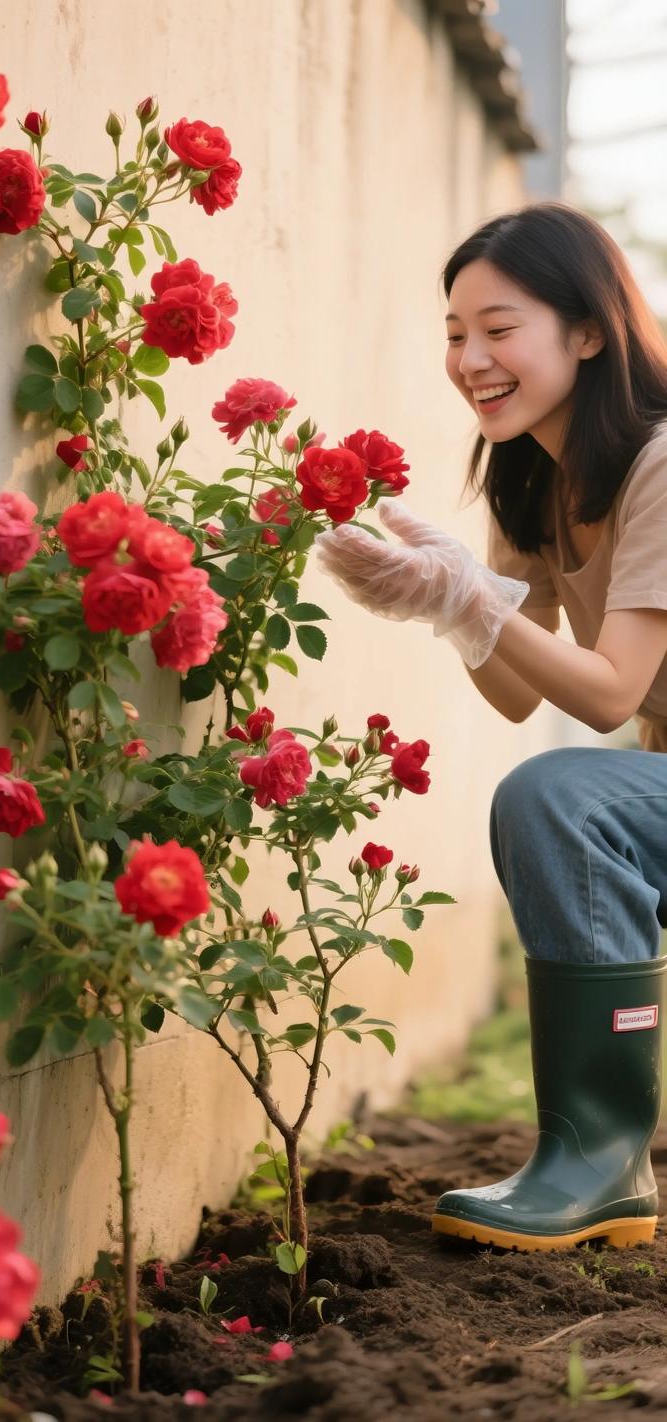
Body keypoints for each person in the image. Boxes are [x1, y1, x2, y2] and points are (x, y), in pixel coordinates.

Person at [315, 201, 667, 1253]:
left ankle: (597, 1155)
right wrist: (448, 604)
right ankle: (597, 1159)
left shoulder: (656, 460)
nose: (468, 357)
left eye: (497, 327)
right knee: (553, 797)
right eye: (452, 333)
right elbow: (515, 693)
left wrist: (471, 599)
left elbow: (606, 693)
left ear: (588, 330)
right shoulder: (536, 476)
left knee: (559, 795)